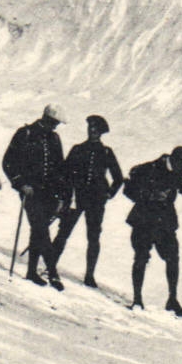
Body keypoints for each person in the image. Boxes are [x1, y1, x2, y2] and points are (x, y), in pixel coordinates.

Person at [123, 145, 182, 316]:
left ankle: (172, 300)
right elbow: (128, 190)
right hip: (144, 222)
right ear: (173, 160)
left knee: (172, 258)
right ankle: (137, 299)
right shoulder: (148, 169)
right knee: (141, 258)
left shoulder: (176, 173)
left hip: (164, 224)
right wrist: (148, 196)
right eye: (181, 165)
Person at [52, 115, 123, 288]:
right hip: (76, 197)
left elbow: (118, 178)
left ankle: (90, 275)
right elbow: (64, 173)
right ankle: (50, 265)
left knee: (93, 237)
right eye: (90, 128)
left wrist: (108, 194)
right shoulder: (77, 149)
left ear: (101, 133)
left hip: (96, 201)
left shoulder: (106, 153)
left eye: (96, 130)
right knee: (64, 232)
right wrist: (64, 194)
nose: (92, 132)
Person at [2, 104, 68, 290]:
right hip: (30, 191)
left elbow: (59, 168)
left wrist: (61, 195)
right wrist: (21, 184)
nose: (54, 127)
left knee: (38, 230)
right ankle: (53, 272)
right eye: (53, 123)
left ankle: (32, 271)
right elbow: (8, 162)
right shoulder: (26, 134)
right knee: (40, 228)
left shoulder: (55, 138)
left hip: (49, 193)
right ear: (45, 118)